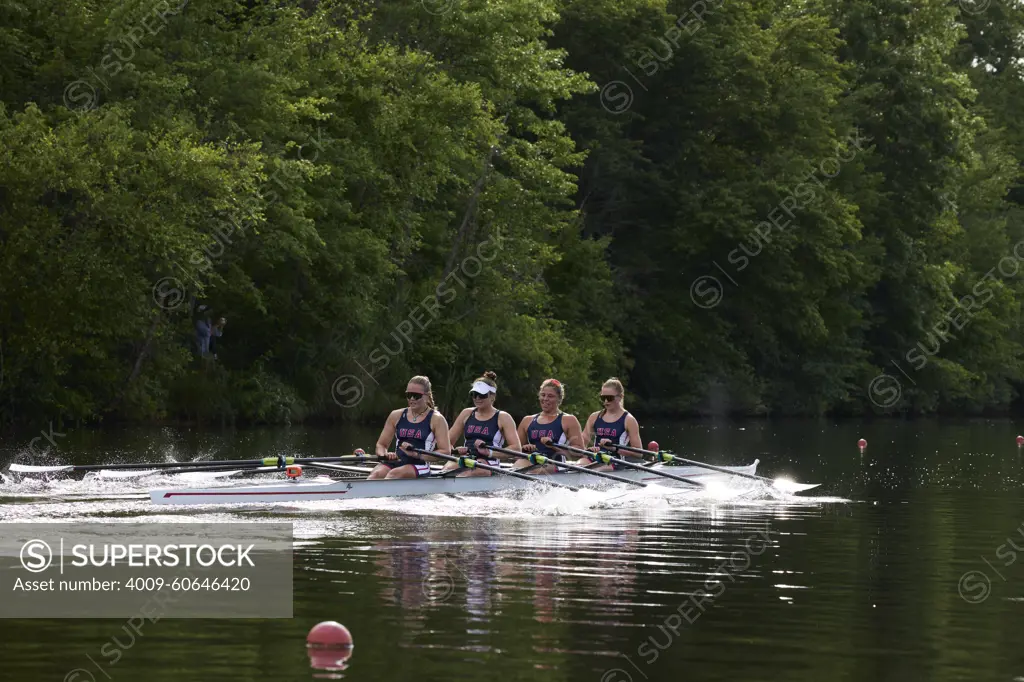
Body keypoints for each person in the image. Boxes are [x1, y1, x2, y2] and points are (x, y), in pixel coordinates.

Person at [368, 376, 451, 480]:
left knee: (394, 475)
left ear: (427, 396)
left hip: (420, 464)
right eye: (409, 395)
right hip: (398, 460)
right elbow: (381, 445)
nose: (411, 399)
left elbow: (445, 451)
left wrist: (417, 455)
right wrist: (384, 454)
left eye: (416, 396)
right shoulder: (396, 415)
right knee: (376, 475)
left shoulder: (437, 419)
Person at [440, 371, 522, 477]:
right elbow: (446, 443)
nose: (477, 398)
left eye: (482, 395)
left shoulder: (503, 417)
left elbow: (516, 448)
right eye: (474, 394)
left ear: (492, 396)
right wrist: (456, 450)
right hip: (466, 459)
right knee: (447, 469)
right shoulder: (466, 413)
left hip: (489, 463)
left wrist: (489, 453)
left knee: (467, 474)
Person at [514, 378, 584, 474]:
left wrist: (554, 446)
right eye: (543, 395)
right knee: (519, 464)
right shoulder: (527, 420)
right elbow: (516, 452)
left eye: (550, 396)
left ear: (559, 399)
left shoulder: (569, 420)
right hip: (532, 462)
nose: (545, 399)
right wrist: (525, 449)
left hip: (556, 464)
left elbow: (580, 451)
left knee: (532, 469)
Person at [573, 377, 643, 472]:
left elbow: (639, 453)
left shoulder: (629, 420)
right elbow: (581, 445)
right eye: (603, 398)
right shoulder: (594, 417)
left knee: (598, 471)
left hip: (615, 460)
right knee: (578, 467)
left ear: (620, 397)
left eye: (609, 398)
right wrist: (587, 451)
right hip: (596, 457)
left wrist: (614, 448)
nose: (606, 401)